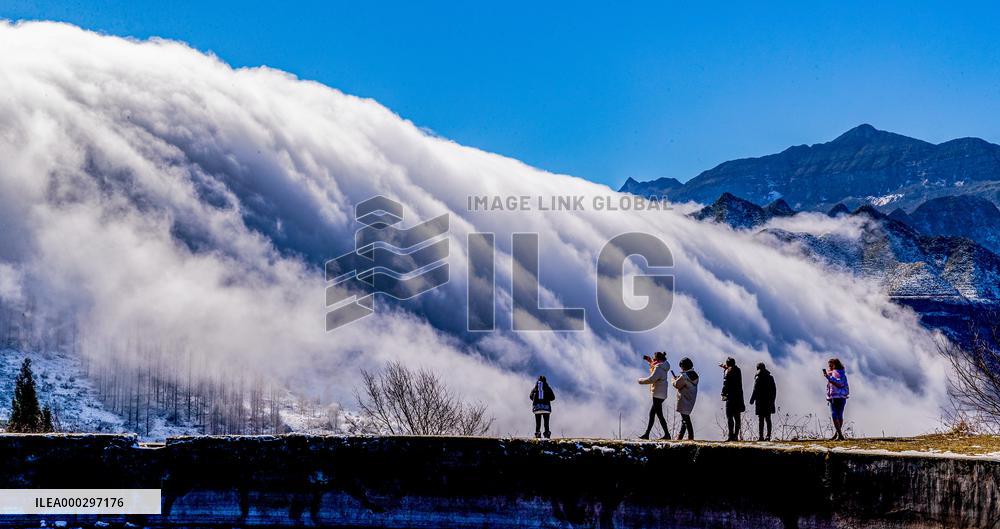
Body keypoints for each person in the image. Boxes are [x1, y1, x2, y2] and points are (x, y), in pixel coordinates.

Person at [638, 351, 671, 440]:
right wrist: (649, 361)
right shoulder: (663, 366)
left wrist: (640, 380)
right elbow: (654, 364)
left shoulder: (659, 368)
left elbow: (651, 379)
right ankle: (647, 434)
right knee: (653, 413)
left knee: (658, 415)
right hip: (662, 393)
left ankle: (666, 435)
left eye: (654, 359)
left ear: (658, 360)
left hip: (658, 394)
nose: (653, 360)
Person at [671, 357, 699, 440]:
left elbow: (677, 385)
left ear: (684, 366)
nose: (681, 368)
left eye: (681, 366)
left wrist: (673, 380)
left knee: (685, 419)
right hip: (691, 398)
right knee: (685, 418)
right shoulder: (694, 375)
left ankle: (691, 436)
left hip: (684, 399)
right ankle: (680, 436)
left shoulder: (684, 376)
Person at [748, 362, 776, 441]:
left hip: (760, 402)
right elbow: (774, 390)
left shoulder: (758, 377)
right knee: (768, 419)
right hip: (768, 401)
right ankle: (768, 436)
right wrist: (772, 400)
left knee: (761, 420)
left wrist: (752, 400)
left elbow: (755, 390)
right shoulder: (770, 377)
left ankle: (761, 437)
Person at [720, 357, 745, 441]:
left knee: (729, 417)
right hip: (738, 397)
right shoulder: (738, 370)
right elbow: (732, 370)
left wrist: (723, 394)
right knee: (737, 417)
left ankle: (730, 436)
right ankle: (736, 436)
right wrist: (726, 367)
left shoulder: (728, 371)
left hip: (730, 397)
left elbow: (725, 383)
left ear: (728, 364)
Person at [824, 358, 850, 441]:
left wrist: (828, 377)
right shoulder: (841, 373)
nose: (829, 367)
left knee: (834, 414)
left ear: (835, 365)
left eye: (831, 365)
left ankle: (840, 435)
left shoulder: (835, 373)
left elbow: (839, 383)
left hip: (835, 396)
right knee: (839, 415)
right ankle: (837, 434)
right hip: (842, 396)